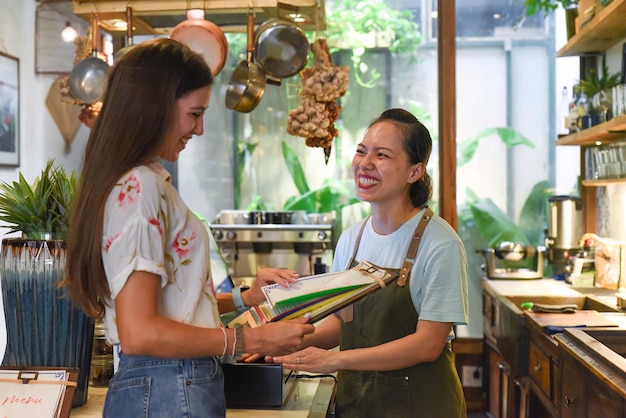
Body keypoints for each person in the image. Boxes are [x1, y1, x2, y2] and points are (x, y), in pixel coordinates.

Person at [62, 38, 314, 418]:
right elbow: (141, 331)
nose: (199, 129)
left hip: (168, 383)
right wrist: (252, 338)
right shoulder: (140, 187)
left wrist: (247, 299)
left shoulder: (143, 183)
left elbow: (171, 307)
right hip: (169, 384)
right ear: (155, 108)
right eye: (194, 113)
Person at [273, 108, 469, 417]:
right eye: (361, 151)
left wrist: (336, 360)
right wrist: (284, 343)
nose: (365, 164)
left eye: (382, 155)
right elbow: (342, 324)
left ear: (414, 172)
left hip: (422, 407)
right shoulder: (352, 240)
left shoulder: (440, 244)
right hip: (359, 405)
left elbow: (427, 345)